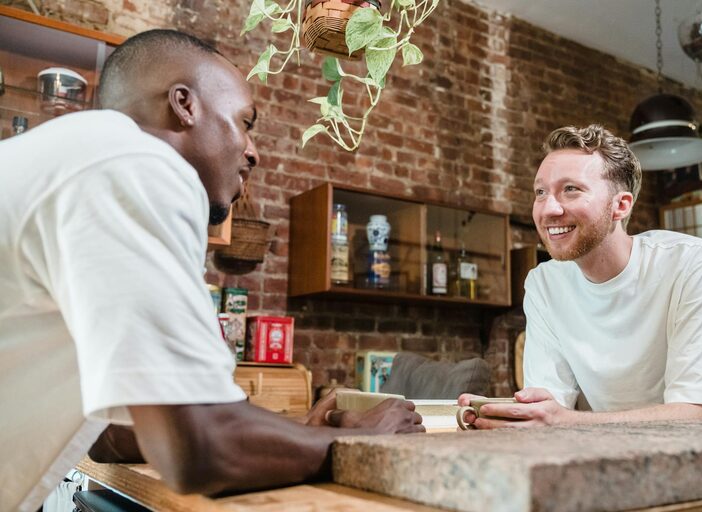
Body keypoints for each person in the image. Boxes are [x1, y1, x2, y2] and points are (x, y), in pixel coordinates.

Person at [0, 29, 423, 512]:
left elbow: (111, 436)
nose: (252, 152)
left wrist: (295, 434)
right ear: (184, 104)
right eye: (244, 122)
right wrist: (362, 443)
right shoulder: (133, 163)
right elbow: (198, 449)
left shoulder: (83, 156)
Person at [459, 124, 702, 428]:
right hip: (619, 452)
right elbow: (550, 406)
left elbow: (694, 415)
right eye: (541, 192)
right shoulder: (544, 283)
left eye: (570, 189)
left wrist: (565, 421)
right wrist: (507, 416)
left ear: (620, 206)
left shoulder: (697, 265)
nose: (548, 209)